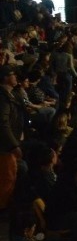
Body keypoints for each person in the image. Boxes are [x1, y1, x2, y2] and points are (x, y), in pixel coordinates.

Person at [0, 65, 23, 211]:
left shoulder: (10, 94)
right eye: (12, 74)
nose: (15, 76)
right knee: (7, 178)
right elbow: (3, 123)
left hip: (9, 142)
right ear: (5, 78)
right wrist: (14, 145)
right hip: (5, 146)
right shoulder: (3, 97)